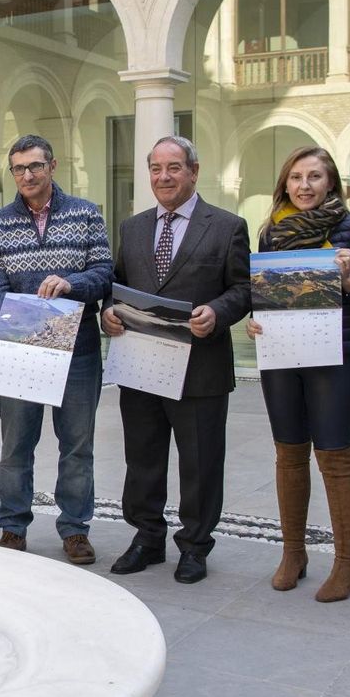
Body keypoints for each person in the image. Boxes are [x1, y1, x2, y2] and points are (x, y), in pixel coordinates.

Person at [101, 136, 251, 584]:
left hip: (199, 368)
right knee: (142, 458)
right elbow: (117, 284)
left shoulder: (227, 226)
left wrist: (218, 312)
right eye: (155, 169)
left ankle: (195, 545)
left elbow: (243, 289)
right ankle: (147, 538)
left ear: (194, 171)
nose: (163, 177)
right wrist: (107, 314)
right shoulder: (132, 227)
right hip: (141, 365)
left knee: (200, 462)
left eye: (174, 168)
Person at [245, 146, 350, 602]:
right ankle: (294, 553)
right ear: (285, 183)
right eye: (296, 177)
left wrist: (346, 280)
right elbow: (265, 292)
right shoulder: (272, 233)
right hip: (282, 353)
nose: (304, 186)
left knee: (335, 457)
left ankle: (347, 564)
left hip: (333, 355)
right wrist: (255, 318)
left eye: (315, 177)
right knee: (288, 454)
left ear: (331, 184)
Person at [0, 136, 112, 564]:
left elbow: (104, 274)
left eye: (35, 166)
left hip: (78, 349)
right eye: (18, 168)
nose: (27, 176)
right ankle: (12, 527)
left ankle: (75, 529)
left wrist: (71, 284)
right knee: (16, 444)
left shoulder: (87, 214)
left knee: (77, 444)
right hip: (19, 347)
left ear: (52, 166)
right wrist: (27, 322)